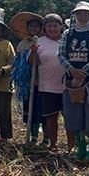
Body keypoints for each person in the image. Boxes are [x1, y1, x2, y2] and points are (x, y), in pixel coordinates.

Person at [59, 2, 89, 161]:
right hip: (71, 81)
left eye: (85, 13)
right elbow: (61, 54)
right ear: (74, 15)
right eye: (79, 13)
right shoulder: (67, 33)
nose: (82, 16)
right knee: (74, 115)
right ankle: (80, 147)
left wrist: (83, 72)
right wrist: (72, 71)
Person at [32, 14, 68, 152]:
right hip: (47, 86)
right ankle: (53, 144)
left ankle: (72, 145)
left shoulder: (67, 40)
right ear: (45, 28)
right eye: (49, 26)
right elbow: (32, 62)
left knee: (69, 117)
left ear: (61, 27)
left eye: (55, 25)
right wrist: (33, 52)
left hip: (67, 86)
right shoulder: (39, 41)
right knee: (50, 118)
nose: (52, 28)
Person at [11, 12, 44, 143]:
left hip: (41, 81)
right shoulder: (22, 44)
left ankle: (44, 137)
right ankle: (32, 136)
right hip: (27, 82)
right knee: (29, 109)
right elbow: (18, 62)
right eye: (31, 26)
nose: (34, 29)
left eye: (37, 26)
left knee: (40, 110)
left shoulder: (42, 42)